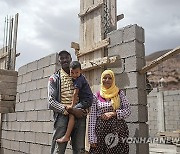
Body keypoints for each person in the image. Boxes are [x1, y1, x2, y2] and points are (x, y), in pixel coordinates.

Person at [48, 50, 88, 154]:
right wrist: (71, 110)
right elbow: (51, 102)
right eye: (62, 58)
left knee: (80, 150)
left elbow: (87, 95)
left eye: (67, 57)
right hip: (62, 117)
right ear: (59, 61)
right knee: (58, 151)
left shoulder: (79, 76)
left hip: (79, 116)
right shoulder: (54, 78)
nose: (65, 60)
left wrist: (84, 109)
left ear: (71, 58)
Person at [88, 69, 131, 154]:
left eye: (110, 78)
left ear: (113, 80)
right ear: (101, 79)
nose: (107, 80)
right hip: (101, 133)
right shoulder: (96, 96)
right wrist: (92, 138)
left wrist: (113, 113)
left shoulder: (119, 93)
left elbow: (128, 110)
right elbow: (92, 117)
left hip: (118, 132)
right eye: (105, 78)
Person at [56, 61, 93, 143]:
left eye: (77, 72)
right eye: (72, 72)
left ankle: (67, 136)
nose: (74, 74)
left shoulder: (79, 80)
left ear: (81, 71)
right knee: (75, 114)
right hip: (85, 99)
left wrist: (72, 106)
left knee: (72, 113)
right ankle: (72, 135)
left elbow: (75, 94)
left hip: (86, 100)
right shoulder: (78, 78)